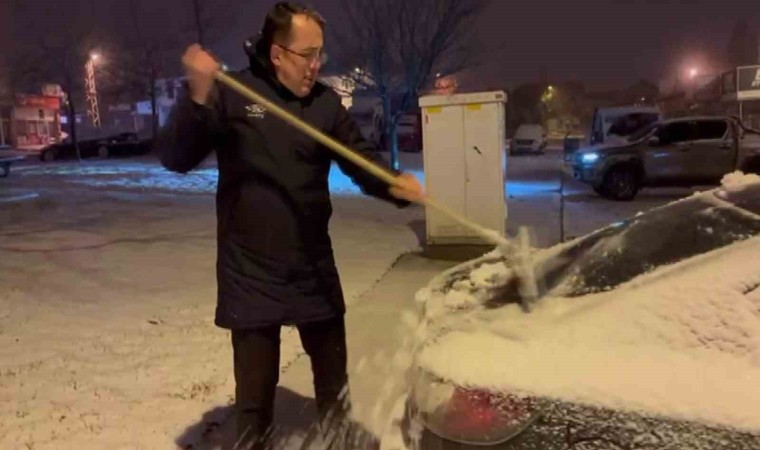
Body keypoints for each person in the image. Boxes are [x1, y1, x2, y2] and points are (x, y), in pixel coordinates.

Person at [158, 2, 424, 449]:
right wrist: (197, 96)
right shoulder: (234, 93)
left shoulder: (323, 104)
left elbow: (360, 161)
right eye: (308, 54)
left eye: (321, 53)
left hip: (311, 268)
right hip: (251, 273)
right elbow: (176, 157)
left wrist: (394, 185)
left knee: (335, 392)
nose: (317, 64)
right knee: (254, 405)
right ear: (278, 53)